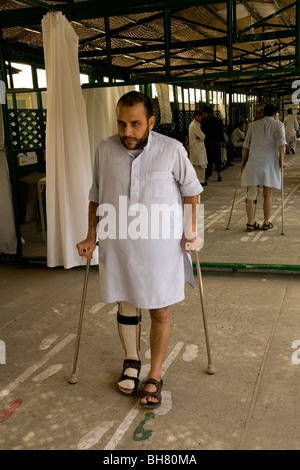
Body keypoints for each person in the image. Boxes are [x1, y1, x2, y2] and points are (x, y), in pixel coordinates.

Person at [76, 91, 203, 408]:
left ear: (150, 121)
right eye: (121, 124)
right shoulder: (105, 149)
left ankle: (155, 374)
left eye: (134, 124)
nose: (127, 132)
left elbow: (191, 192)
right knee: (127, 303)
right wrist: (91, 234)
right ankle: (131, 360)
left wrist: (190, 230)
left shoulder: (171, 150)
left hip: (161, 246)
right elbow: (96, 194)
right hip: (118, 241)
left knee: (159, 309)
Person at [240, 103, 286, 232]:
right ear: (275, 114)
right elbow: (281, 146)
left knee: (252, 192)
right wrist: (281, 162)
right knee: (268, 193)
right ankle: (266, 222)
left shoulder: (253, 125)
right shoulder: (278, 125)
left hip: (253, 162)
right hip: (269, 164)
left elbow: (245, 147)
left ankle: (250, 223)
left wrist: (243, 163)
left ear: (263, 113)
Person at [201, 106, 224, 181]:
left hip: (208, 142)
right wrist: (222, 141)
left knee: (209, 158)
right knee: (218, 158)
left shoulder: (204, 121)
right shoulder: (218, 120)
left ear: (206, 113)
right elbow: (221, 132)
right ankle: (219, 174)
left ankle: (207, 175)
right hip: (217, 142)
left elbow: (203, 133)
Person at [188, 111, 208, 186]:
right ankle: (199, 181)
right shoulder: (193, 125)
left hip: (199, 147)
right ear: (194, 117)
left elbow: (202, 137)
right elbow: (202, 136)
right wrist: (200, 137)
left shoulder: (197, 125)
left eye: (200, 116)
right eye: (198, 116)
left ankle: (201, 180)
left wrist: (200, 137)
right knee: (198, 165)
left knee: (201, 165)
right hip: (196, 147)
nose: (200, 117)